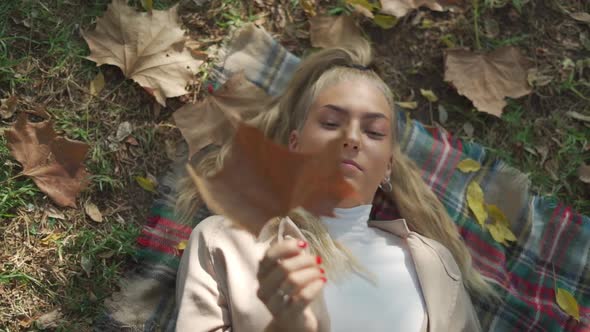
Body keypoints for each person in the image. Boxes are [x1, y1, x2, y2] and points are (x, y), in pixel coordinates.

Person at [173, 38, 496, 332]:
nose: (352, 138)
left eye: (373, 132)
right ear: (294, 146)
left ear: (388, 167)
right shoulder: (227, 242)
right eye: (331, 123)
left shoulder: (433, 264)